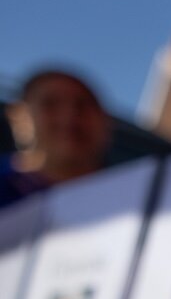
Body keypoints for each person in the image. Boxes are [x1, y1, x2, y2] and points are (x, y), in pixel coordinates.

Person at [2, 69, 110, 207]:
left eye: (81, 106)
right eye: (50, 104)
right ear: (18, 117)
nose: (68, 118)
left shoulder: (130, 199)